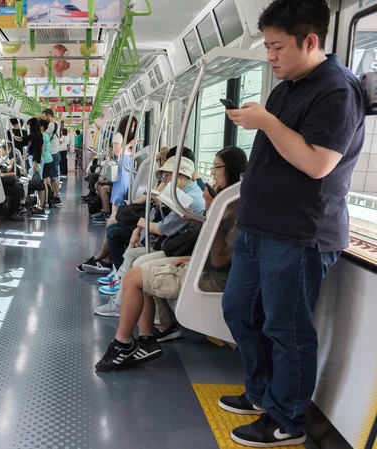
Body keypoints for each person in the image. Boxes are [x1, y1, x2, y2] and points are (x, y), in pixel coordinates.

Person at [219, 1, 365, 447]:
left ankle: (288, 419)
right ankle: (263, 393)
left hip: (300, 233)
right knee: (238, 309)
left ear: (311, 41)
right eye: (267, 46)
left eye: (277, 47)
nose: (271, 56)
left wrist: (264, 120)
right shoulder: (288, 86)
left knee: (287, 326)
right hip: (259, 226)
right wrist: (260, 121)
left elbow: (317, 163)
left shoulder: (337, 90)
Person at [95, 147, 248, 372]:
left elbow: (218, 258)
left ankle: (123, 342)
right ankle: (146, 339)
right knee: (138, 269)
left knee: (134, 277)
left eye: (216, 168)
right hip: (199, 264)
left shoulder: (230, 206)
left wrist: (210, 210)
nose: (212, 174)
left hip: (211, 276)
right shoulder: (226, 199)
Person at [42, 109, 62, 206]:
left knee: (54, 177)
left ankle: (56, 197)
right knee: (53, 176)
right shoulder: (56, 123)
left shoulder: (51, 125)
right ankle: (55, 195)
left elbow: (44, 134)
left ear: (49, 115)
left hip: (53, 153)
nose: (43, 119)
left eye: (44, 117)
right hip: (56, 152)